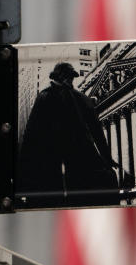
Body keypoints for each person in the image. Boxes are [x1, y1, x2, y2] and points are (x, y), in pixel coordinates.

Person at [18, 62, 124, 203]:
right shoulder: (74, 99)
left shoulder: (50, 97)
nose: (71, 81)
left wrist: (107, 158)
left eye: (72, 78)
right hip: (63, 161)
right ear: (60, 77)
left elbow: (97, 133)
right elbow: (31, 135)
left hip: (69, 162)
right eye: (68, 77)